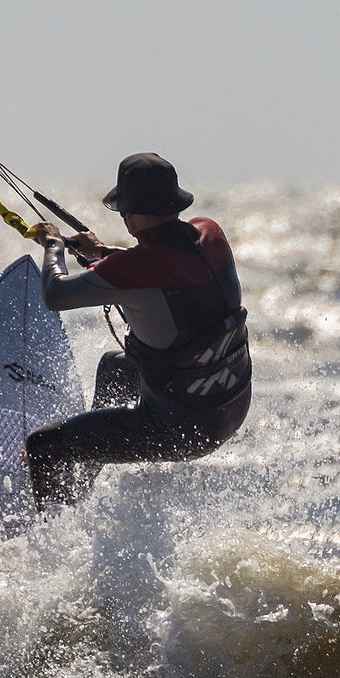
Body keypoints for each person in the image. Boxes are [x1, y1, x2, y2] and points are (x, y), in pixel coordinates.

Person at [25, 152, 251, 507]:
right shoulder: (211, 233)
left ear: (128, 216)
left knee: (43, 446)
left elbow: (55, 294)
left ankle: (50, 537)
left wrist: (53, 245)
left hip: (180, 428)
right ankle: (82, 483)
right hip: (230, 406)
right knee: (115, 367)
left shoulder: (134, 269)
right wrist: (103, 251)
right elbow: (169, 265)